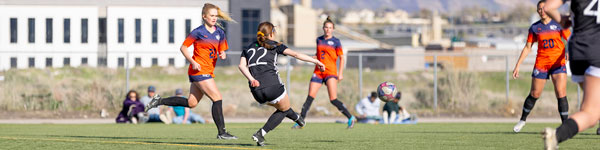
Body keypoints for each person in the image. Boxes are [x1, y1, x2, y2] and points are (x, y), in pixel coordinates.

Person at [145, 3, 238, 140]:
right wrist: (193, 62)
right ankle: (222, 132)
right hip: (199, 71)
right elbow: (183, 48)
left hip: (207, 71)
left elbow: (221, 50)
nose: (214, 18)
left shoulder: (220, 33)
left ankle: (159, 101)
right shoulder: (198, 32)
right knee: (217, 98)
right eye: (211, 16)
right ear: (204, 17)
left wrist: (222, 54)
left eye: (216, 16)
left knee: (191, 103)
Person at [238, 21, 322, 146]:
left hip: (256, 91)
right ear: (271, 34)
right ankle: (261, 133)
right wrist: (316, 61)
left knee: (283, 107)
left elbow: (241, 66)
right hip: (272, 85)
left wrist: (251, 79)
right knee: (284, 109)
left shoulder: (248, 47)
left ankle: (298, 119)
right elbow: (296, 54)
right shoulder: (275, 45)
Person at [543, 0, 600, 149]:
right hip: (596, 50)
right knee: (591, 113)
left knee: (594, 106)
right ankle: (556, 135)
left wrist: (562, 20)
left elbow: (548, 7)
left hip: (577, 50)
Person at [512, 0, 571, 133]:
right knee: (535, 93)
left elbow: (570, 39)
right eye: (539, 9)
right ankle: (522, 120)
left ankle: (566, 126)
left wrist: (568, 50)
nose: (541, 11)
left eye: (544, 8)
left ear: (549, 9)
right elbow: (528, 47)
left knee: (561, 93)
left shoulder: (559, 24)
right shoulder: (534, 28)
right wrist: (517, 66)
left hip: (558, 63)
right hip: (542, 64)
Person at [294, 16, 356, 129]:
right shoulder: (319, 40)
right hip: (318, 72)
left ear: (333, 29)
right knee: (309, 97)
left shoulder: (336, 42)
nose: (328, 29)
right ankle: (300, 122)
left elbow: (342, 58)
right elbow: (319, 54)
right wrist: (314, 58)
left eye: (330, 28)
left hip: (330, 72)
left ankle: (350, 117)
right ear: (323, 28)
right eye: (326, 27)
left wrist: (340, 73)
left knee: (333, 99)